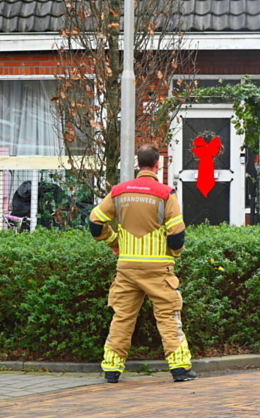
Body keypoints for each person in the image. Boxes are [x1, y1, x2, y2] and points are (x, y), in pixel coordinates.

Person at [88, 144, 197, 383]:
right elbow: (177, 234)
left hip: (126, 267)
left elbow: (95, 222)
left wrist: (114, 242)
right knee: (168, 317)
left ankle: (112, 370)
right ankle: (180, 369)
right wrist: (174, 253)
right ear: (158, 165)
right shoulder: (166, 193)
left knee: (122, 317)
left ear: (138, 164)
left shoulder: (118, 192)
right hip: (158, 269)